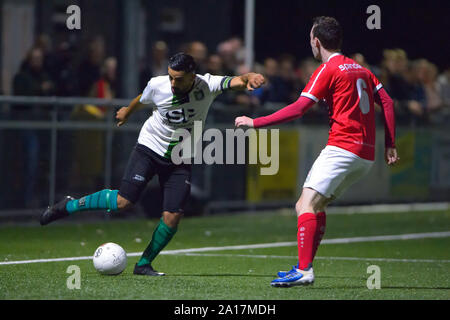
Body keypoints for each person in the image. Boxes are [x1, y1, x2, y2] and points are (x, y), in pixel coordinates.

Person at [40, 52, 265, 276]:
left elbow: (239, 80)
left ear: (192, 76)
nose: (173, 83)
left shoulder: (208, 84)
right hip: (149, 148)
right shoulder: (158, 85)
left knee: (173, 216)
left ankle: (143, 264)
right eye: (170, 77)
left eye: (178, 78)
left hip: (180, 157)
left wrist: (252, 76)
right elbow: (142, 98)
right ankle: (67, 206)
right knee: (123, 202)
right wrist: (127, 112)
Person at [235, 16, 399, 287]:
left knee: (304, 205)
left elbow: (299, 108)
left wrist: (255, 122)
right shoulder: (361, 69)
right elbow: (388, 103)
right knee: (318, 205)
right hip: (366, 156)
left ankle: (303, 271)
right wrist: (390, 144)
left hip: (342, 147)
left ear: (317, 41)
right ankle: (304, 266)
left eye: (310, 38)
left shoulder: (328, 69)